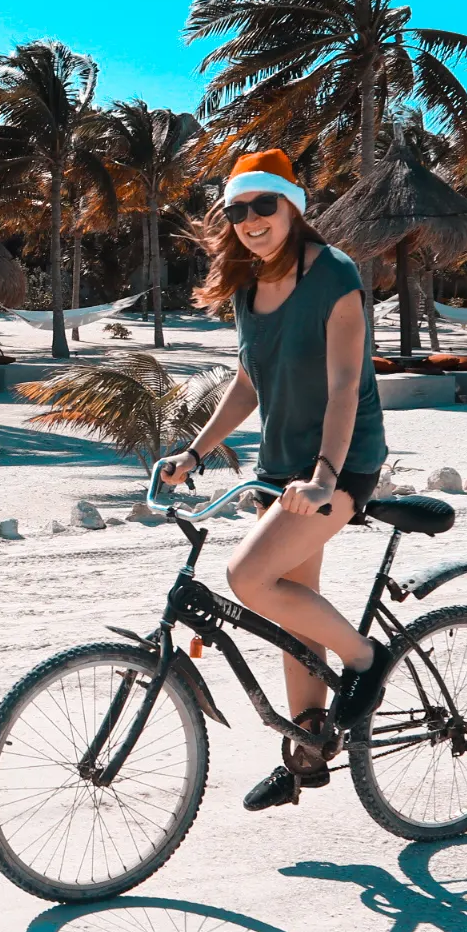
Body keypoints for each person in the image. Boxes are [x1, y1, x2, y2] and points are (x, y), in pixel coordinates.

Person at [159, 149, 395, 811]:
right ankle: (308, 753)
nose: (251, 220)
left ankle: (366, 661)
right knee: (292, 604)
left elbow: (348, 384)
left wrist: (325, 477)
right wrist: (196, 453)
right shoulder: (246, 286)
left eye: (264, 205)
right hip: (280, 465)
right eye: (237, 210)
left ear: (293, 205)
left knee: (248, 578)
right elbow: (245, 383)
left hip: (340, 462)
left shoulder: (336, 276)